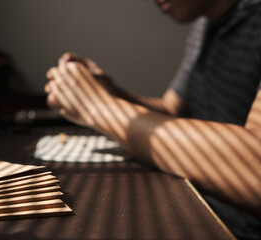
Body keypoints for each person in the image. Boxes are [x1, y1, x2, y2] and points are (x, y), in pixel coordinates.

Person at [45, 0, 261, 238]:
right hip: (192, 203)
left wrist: (98, 107)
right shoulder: (203, 28)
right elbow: (170, 111)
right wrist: (110, 92)